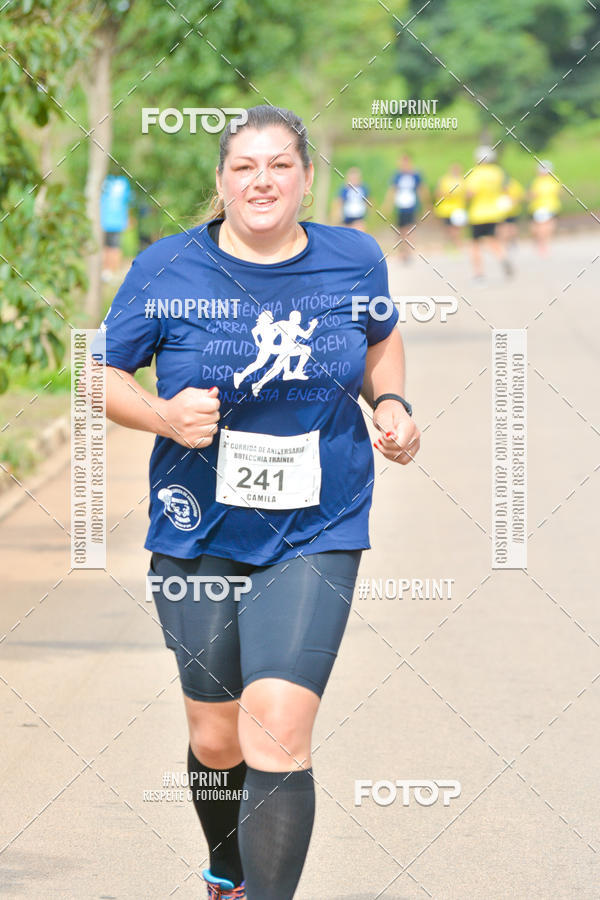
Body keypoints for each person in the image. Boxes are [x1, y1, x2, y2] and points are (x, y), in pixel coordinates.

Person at [99, 105, 420, 900]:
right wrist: (163, 415)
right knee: (216, 738)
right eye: (244, 166)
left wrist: (392, 405)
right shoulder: (168, 270)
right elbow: (97, 375)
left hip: (320, 522)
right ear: (221, 181)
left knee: (276, 729)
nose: (262, 180)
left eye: (280, 164)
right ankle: (227, 871)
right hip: (197, 526)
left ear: (307, 178)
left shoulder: (352, 257)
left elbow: (381, 338)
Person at [464, 146, 513, 281]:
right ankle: (502, 257)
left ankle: (479, 274)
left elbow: (470, 193)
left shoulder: (474, 173)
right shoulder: (497, 172)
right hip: (494, 213)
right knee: (492, 239)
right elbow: (505, 189)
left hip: (478, 214)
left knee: (475, 245)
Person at [384, 153, 430, 262]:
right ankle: (402, 252)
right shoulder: (397, 176)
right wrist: (388, 205)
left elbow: (421, 189)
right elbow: (392, 190)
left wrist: (426, 204)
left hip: (411, 206)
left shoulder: (415, 175)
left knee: (409, 230)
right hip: (400, 207)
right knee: (400, 231)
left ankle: (408, 253)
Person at [100, 173, 131, 279]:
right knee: (114, 247)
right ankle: (111, 272)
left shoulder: (105, 181)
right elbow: (128, 201)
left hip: (106, 220)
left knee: (108, 247)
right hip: (116, 220)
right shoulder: (124, 182)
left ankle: (108, 271)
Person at [528, 160, 561, 256]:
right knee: (536, 229)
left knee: (547, 228)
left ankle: (544, 246)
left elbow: (559, 192)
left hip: (551, 207)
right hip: (537, 207)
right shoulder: (535, 181)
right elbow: (530, 194)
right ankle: (538, 242)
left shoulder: (554, 180)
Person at [433, 162, 467, 249]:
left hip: (458, 209)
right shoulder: (444, 180)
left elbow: (467, 194)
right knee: (448, 229)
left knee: (456, 229)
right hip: (446, 209)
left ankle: (457, 244)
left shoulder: (463, 180)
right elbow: (438, 193)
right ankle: (451, 244)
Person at [496, 175, 525, 249]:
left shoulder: (514, 185)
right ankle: (504, 243)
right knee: (503, 227)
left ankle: (511, 241)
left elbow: (520, 196)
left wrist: (514, 201)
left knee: (511, 228)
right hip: (501, 211)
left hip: (512, 211)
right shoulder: (497, 184)